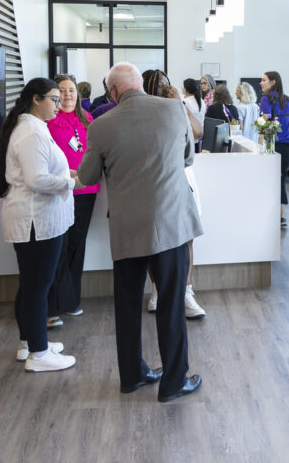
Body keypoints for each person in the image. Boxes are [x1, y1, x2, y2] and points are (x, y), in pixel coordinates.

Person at [78, 63, 203, 402]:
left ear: (113, 92)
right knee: (171, 303)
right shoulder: (174, 110)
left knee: (128, 304)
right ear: (141, 85)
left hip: (126, 228)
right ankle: (173, 381)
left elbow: (87, 177)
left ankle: (132, 375)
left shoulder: (100, 125)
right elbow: (188, 159)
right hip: (171, 225)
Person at [0, 77, 77, 372]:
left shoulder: (32, 128)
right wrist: (70, 181)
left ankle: (29, 341)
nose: (59, 102)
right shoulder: (32, 132)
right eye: (54, 98)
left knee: (31, 285)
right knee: (38, 287)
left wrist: (65, 172)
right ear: (36, 100)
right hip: (35, 220)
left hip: (35, 218)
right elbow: (36, 180)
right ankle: (39, 354)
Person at [143, 69, 206, 319]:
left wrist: (178, 103)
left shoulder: (176, 106)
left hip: (183, 177)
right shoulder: (143, 110)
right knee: (153, 238)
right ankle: (157, 289)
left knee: (187, 236)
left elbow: (198, 133)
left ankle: (186, 292)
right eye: (157, 84)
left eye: (166, 83)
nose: (162, 87)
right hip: (153, 180)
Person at [45, 74, 99, 328]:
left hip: (87, 190)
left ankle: (72, 300)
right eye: (62, 91)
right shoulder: (47, 121)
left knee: (78, 245)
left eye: (71, 91)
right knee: (60, 248)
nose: (67, 96)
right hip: (60, 191)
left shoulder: (87, 119)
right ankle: (53, 304)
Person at [259, 70, 289, 226]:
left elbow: (267, 125)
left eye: (264, 80)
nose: (261, 83)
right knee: (280, 178)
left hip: (273, 144)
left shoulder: (265, 99)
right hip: (288, 145)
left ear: (273, 82)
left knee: (273, 179)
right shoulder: (288, 100)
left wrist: (260, 145)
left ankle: (275, 215)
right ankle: (280, 215)